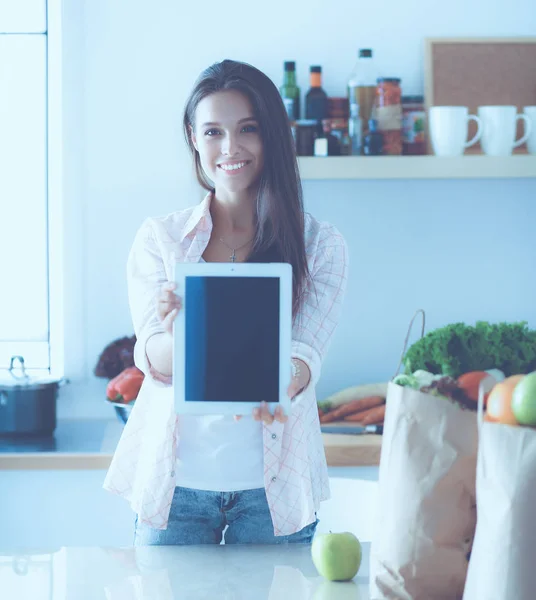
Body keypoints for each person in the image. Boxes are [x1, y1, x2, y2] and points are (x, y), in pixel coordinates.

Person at [104, 59, 349, 546]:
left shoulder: (320, 245)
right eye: (213, 131)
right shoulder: (161, 239)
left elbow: (304, 358)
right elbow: (151, 355)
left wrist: (274, 380)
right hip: (174, 490)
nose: (230, 148)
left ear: (271, 137)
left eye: (248, 130)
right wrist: (183, 334)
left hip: (275, 490)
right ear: (194, 139)